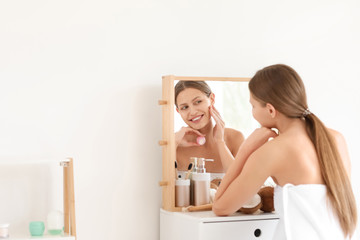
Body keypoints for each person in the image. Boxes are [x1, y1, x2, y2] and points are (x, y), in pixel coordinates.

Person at [212, 64, 357, 239]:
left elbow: (220, 207)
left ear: (271, 110)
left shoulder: (272, 152)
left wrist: (245, 150)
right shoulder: (337, 139)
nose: (253, 113)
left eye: (253, 106)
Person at [174, 81, 244, 178]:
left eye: (198, 102)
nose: (193, 112)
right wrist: (173, 143)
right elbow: (168, 188)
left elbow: (241, 182)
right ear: (178, 111)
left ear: (211, 99)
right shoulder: (175, 144)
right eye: (185, 107)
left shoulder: (235, 138)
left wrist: (220, 141)